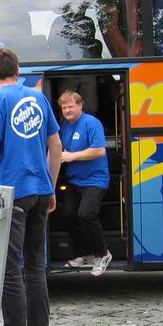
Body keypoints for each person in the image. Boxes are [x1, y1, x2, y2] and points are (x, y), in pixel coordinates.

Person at [0, 48, 61, 326]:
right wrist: (51, 186)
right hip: (40, 189)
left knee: (9, 267)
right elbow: (56, 146)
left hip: (12, 192)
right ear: (18, 70)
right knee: (36, 265)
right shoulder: (38, 98)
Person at [58, 89, 112, 276]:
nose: (67, 110)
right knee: (68, 215)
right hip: (75, 180)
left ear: (80, 106)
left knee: (86, 214)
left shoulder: (91, 123)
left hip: (95, 179)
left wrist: (72, 156)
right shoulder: (65, 126)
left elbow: (99, 151)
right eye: (64, 107)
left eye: (70, 106)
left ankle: (103, 254)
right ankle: (86, 254)